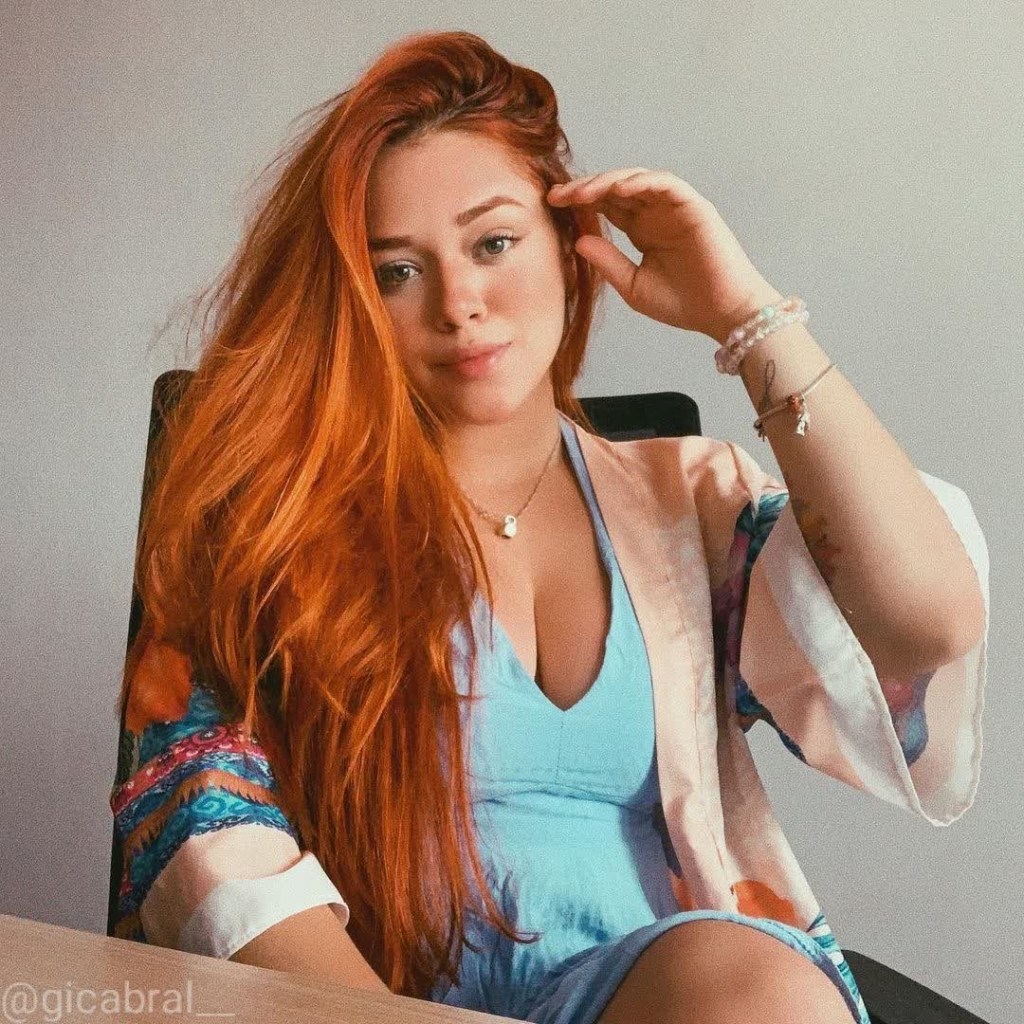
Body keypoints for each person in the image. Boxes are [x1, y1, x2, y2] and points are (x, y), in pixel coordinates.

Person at [108, 29, 989, 1024]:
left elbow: (926, 622)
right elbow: (198, 815)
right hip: (365, 1004)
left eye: (493, 244)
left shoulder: (685, 508)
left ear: (571, 251)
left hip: (657, 1001)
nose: (460, 303)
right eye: (397, 272)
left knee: (755, 985)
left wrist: (745, 315)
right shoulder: (272, 516)